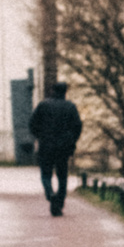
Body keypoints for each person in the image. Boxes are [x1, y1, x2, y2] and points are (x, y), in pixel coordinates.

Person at [32, 81, 81, 216]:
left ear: (53, 90)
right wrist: (72, 140)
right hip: (63, 147)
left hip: (46, 146)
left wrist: (40, 136)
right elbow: (77, 126)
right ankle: (59, 201)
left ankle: (50, 194)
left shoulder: (43, 105)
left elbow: (33, 124)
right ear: (65, 91)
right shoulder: (70, 107)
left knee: (46, 174)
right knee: (62, 175)